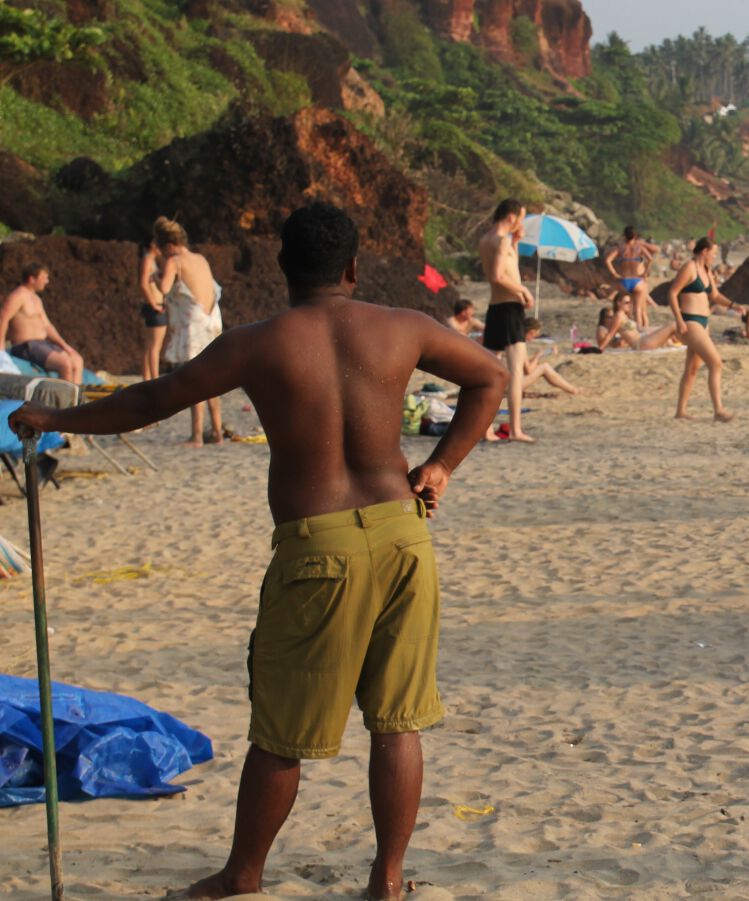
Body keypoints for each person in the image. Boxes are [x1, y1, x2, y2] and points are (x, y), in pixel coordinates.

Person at [10, 203, 507, 900]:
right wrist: (441, 464)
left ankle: (244, 874)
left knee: (281, 730)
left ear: (282, 267)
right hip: (402, 534)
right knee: (398, 721)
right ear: (354, 267)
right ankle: (387, 880)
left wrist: (56, 417)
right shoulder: (402, 327)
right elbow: (490, 377)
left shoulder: (259, 342)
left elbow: (152, 400)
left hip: (318, 546)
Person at [155, 217, 225, 446]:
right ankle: (217, 432)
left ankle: (196, 435)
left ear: (168, 246)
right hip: (212, 320)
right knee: (214, 377)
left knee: (196, 378)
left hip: (193, 323)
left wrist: (154, 277)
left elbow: (164, 288)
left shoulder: (175, 261)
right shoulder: (200, 258)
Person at [669, 236, 746, 422]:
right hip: (690, 321)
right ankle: (718, 410)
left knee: (692, 368)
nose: (715, 256)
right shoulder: (689, 268)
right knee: (716, 363)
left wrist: (733, 305)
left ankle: (680, 411)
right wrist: (678, 320)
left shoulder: (706, 269)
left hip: (704, 322)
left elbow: (715, 295)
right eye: (713, 252)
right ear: (704, 252)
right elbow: (672, 292)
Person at [478, 198, 535, 442]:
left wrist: (517, 242)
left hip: (495, 308)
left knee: (490, 371)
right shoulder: (501, 241)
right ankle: (514, 429)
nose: (521, 223)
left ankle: (486, 429)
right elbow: (498, 275)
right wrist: (523, 290)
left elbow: (509, 267)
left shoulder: (486, 240)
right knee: (514, 373)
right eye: (520, 218)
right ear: (511, 217)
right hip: (510, 309)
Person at [0, 263, 85, 383]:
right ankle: (65, 400)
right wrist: (1, 347)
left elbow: (48, 327)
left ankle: (76, 400)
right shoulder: (18, 296)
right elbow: (3, 318)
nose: (47, 281)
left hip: (42, 344)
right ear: (32, 278)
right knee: (64, 363)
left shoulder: (36, 299)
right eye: (44, 277)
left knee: (77, 360)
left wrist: (65, 346)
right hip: (26, 346)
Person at [604, 227, 658, 328]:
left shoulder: (620, 248)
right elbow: (650, 259)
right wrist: (645, 273)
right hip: (637, 281)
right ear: (635, 236)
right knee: (637, 309)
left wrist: (614, 274)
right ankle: (638, 332)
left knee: (622, 309)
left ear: (624, 236)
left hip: (624, 281)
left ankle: (624, 328)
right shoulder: (639, 247)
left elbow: (608, 260)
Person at [518, 317, 580, 394]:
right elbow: (528, 371)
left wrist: (536, 359)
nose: (534, 338)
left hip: (507, 382)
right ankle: (573, 390)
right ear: (531, 332)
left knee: (541, 366)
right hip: (514, 385)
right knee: (545, 367)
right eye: (535, 336)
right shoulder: (520, 344)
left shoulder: (514, 342)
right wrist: (537, 356)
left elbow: (522, 366)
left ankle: (572, 389)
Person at [595, 296, 679, 351]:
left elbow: (641, 328)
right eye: (627, 302)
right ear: (618, 303)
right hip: (640, 344)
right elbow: (610, 335)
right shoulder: (618, 316)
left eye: (630, 302)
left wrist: (660, 328)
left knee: (669, 335)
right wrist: (600, 349)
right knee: (673, 325)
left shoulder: (624, 316)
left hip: (643, 339)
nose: (629, 305)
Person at [139, 242, 167, 381]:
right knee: (155, 346)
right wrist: (154, 304)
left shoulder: (151, 260)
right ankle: (154, 378)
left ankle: (148, 378)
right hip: (155, 306)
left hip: (154, 305)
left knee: (150, 346)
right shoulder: (148, 259)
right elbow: (144, 284)